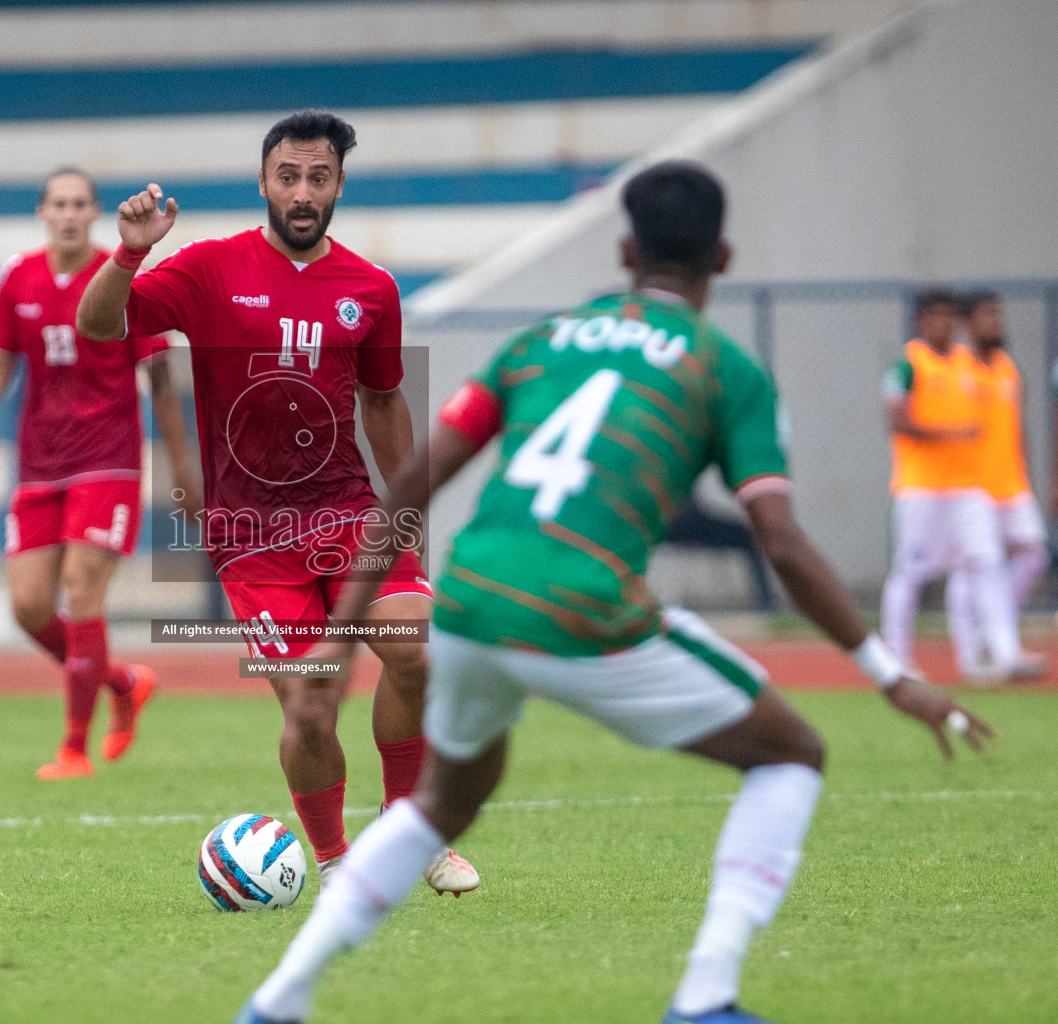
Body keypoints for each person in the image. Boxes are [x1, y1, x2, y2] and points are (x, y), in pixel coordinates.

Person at [233, 160, 994, 1024]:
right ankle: (707, 996)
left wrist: (338, 634)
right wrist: (890, 672)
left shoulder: (544, 340)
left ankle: (276, 1001)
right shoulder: (726, 371)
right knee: (794, 754)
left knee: (442, 804)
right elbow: (779, 539)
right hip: (583, 608)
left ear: (626, 251)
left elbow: (409, 481)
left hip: (472, 602)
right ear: (725, 258)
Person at [76, 110, 478, 894]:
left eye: (318, 178)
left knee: (418, 656)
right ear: (263, 182)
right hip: (252, 536)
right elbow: (99, 329)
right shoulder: (208, 271)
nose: (302, 192)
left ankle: (410, 837)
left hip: (352, 516)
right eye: (288, 176)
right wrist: (128, 253)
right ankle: (333, 863)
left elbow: (385, 404)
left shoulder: (371, 288)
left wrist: (408, 524)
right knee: (309, 709)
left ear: (338, 187)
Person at [0, 166, 201, 780]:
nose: (71, 213)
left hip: (107, 461)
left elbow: (160, 377)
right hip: (38, 466)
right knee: (28, 607)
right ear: (43, 212)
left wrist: (182, 465)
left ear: (96, 211)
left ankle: (74, 748)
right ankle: (124, 682)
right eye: (60, 203)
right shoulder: (18, 277)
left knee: (81, 589)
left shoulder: (118, 277)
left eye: (81, 203)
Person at [879, 291, 1022, 679]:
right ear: (921, 321)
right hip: (921, 487)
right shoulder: (908, 364)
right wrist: (951, 434)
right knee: (910, 572)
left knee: (988, 563)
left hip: (967, 488)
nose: (944, 324)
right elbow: (897, 420)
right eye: (935, 316)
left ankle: (1004, 655)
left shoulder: (967, 363)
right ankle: (896, 660)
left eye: (949, 317)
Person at [945, 292, 1048, 680]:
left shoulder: (1007, 368)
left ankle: (991, 628)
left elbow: (1017, 429)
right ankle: (977, 655)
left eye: (998, 315)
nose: (996, 323)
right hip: (970, 486)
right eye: (987, 316)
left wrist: (1028, 476)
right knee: (972, 567)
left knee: (1034, 553)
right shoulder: (958, 368)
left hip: (1011, 483)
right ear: (968, 324)